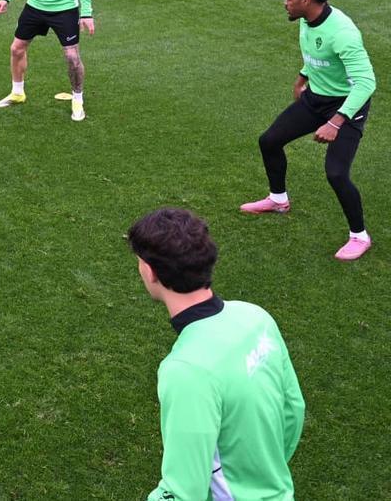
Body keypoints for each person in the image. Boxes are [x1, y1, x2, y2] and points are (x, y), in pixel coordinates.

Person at [128, 207, 304, 500]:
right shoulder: (256, 317)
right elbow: (293, 409)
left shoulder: (186, 370)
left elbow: (183, 492)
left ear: (150, 271)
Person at [241, 0, 376, 261]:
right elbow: (320, 56)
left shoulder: (342, 33)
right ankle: (278, 200)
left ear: (306, 0)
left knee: (336, 173)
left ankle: (360, 236)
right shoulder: (306, 18)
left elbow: (366, 83)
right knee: (269, 141)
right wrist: (302, 77)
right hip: (316, 97)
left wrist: (335, 123)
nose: (284, 3)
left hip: (347, 106)